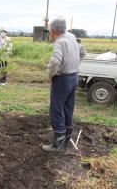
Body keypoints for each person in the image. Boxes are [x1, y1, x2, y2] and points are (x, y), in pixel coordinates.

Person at [42, 18, 86, 152]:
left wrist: (51, 75)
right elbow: (83, 52)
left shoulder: (59, 42)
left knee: (56, 109)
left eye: (49, 28)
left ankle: (57, 145)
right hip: (74, 77)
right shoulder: (72, 37)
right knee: (68, 107)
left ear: (53, 30)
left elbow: (55, 62)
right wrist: (74, 65)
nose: (49, 31)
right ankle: (66, 140)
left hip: (62, 79)